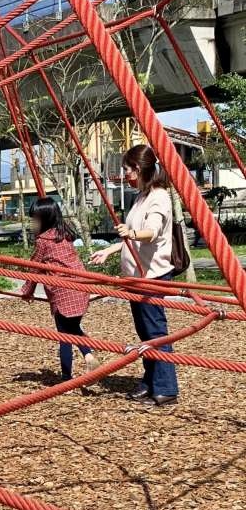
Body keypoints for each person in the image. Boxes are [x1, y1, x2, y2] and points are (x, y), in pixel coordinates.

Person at [91, 144, 178, 406]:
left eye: (127, 170)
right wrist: (111, 250)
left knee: (155, 332)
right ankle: (150, 380)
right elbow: (131, 234)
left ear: (138, 170)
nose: (125, 175)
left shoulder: (159, 197)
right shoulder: (141, 195)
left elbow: (151, 231)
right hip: (136, 278)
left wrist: (131, 235)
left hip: (151, 276)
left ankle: (166, 388)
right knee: (145, 333)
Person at [20, 198, 97, 381]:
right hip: (81, 286)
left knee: (64, 335)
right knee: (73, 328)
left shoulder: (43, 241)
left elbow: (34, 268)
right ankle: (88, 355)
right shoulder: (64, 234)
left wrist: (27, 291)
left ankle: (67, 376)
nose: (33, 224)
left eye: (35, 220)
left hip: (63, 292)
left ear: (45, 219)